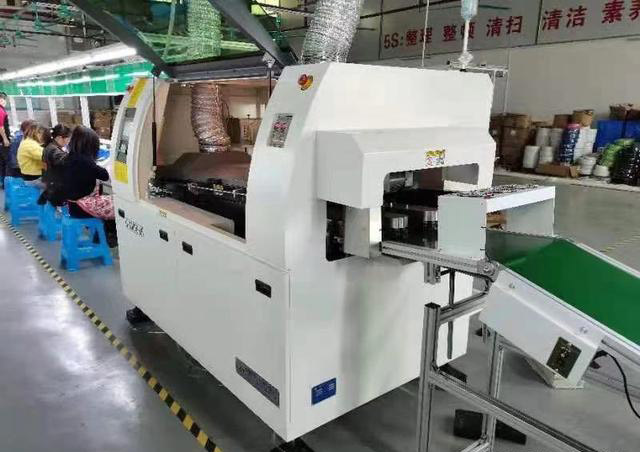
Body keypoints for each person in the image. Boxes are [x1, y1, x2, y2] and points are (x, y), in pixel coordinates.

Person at [56, 126, 116, 246]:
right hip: (82, 207)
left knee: (109, 201)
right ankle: (107, 237)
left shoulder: (68, 157)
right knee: (120, 205)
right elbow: (104, 175)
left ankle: (102, 234)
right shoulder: (84, 161)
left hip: (72, 205)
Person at [40, 124, 71, 205]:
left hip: (50, 184)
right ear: (60, 138)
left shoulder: (50, 146)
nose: (68, 142)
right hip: (55, 188)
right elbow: (65, 162)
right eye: (68, 139)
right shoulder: (54, 150)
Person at [17, 122, 50, 188]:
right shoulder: (30, 145)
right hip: (35, 179)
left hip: (31, 177)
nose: (43, 137)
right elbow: (48, 156)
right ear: (37, 133)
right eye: (42, 134)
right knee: (62, 185)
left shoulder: (27, 141)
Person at [0, 92, 11, 186]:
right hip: (2, 141)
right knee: (6, 161)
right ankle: (5, 182)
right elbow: (1, 127)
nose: (5, 102)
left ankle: (2, 181)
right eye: (4, 99)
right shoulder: (1, 110)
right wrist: (5, 139)